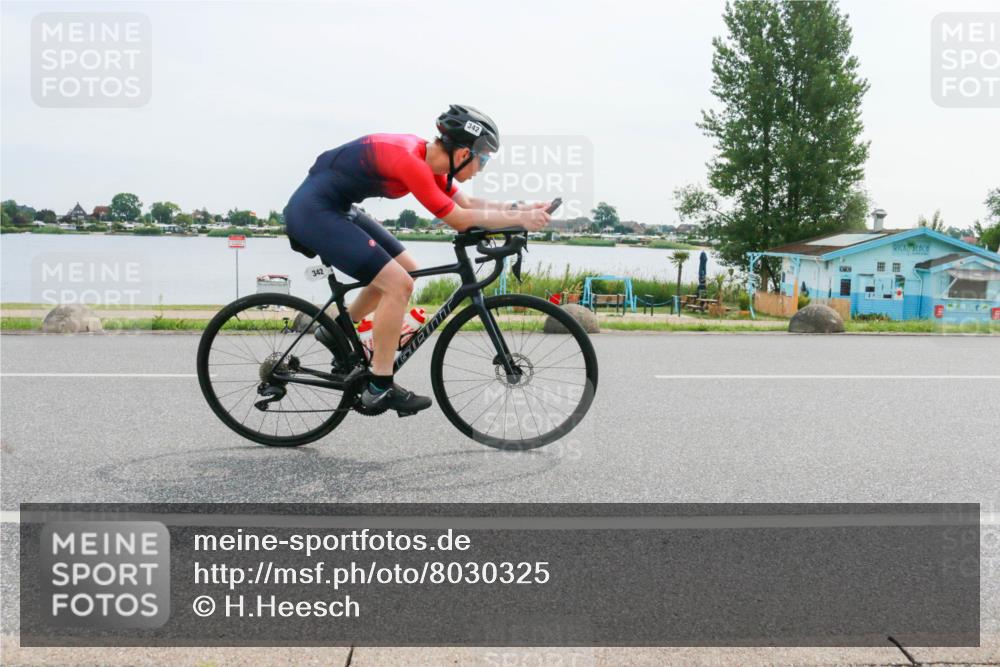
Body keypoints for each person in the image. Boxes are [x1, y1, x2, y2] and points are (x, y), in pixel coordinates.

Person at [284, 104, 552, 414]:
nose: (482, 168)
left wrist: (522, 209)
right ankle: (379, 386)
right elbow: (460, 219)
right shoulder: (411, 161)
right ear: (464, 152)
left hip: (339, 207)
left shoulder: (432, 163)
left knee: (409, 270)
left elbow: (467, 203)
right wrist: (520, 221)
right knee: (397, 284)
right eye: (484, 159)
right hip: (314, 211)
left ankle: (338, 331)